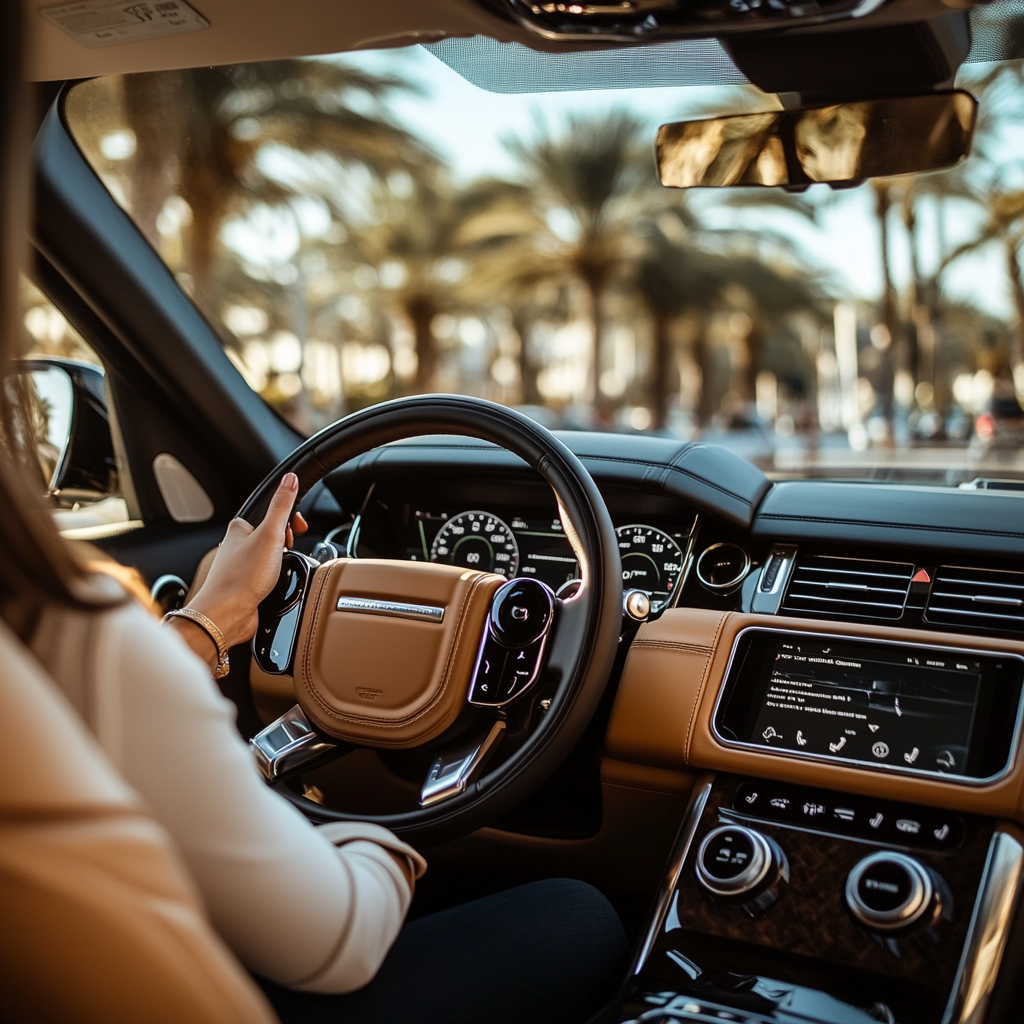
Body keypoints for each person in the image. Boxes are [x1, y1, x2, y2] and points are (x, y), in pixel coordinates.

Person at [0, 2, 629, 1020]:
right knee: (579, 911)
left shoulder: (78, 655)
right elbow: (330, 945)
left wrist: (207, 625)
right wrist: (397, 833)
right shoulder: (78, 637)